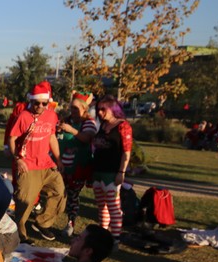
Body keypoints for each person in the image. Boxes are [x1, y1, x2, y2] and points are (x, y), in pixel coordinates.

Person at [7, 81, 65, 242]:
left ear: (48, 102)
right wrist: (17, 159)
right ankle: (20, 235)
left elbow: (52, 137)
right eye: (36, 103)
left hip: (47, 164)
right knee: (25, 202)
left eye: (43, 103)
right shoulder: (24, 117)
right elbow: (12, 139)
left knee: (60, 192)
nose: (40, 106)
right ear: (31, 101)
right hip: (28, 165)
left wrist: (58, 159)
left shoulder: (52, 116)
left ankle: (43, 222)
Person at [90, 95, 133, 244]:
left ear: (112, 108)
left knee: (113, 206)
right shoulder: (102, 126)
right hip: (98, 171)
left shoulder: (123, 126)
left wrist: (121, 172)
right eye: (98, 110)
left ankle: (115, 238)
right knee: (101, 205)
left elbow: (126, 152)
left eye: (103, 109)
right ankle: (103, 233)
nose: (100, 113)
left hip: (112, 172)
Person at [58, 92, 97, 237]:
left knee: (73, 195)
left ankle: (70, 223)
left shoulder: (88, 122)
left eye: (75, 108)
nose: (72, 111)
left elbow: (87, 138)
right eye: (71, 108)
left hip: (78, 167)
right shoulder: (66, 120)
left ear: (84, 109)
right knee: (58, 193)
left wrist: (71, 130)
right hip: (62, 165)